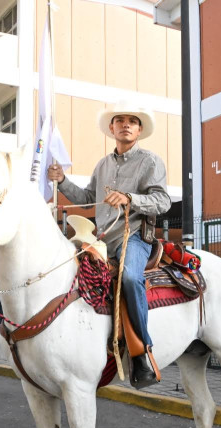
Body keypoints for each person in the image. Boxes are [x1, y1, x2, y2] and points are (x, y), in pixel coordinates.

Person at [48, 101, 171, 389]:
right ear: (112, 128)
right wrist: (63, 180)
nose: (126, 124)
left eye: (132, 121)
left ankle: (142, 354)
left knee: (129, 276)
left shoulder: (150, 161)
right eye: (120, 120)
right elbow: (86, 196)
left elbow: (163, 201)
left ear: (139, 130)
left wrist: (130, 198)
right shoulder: (102, 164)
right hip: (101, 239)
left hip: (135, 236)